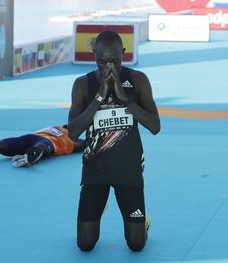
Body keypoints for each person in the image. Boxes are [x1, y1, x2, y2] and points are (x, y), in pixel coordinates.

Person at [68, 31, 161, 252]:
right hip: (95, 172)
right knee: (85, 243)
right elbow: (72, 132)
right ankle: (95, 209)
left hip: (128, 171)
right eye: (102, 62)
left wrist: (126, 100)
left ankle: (143, 221)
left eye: (115, 61)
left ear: (124, 54)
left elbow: (155, 126)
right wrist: (99, 97)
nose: (109, 68)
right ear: (94, 56)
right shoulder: (82, 84)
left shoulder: (138, 80)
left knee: (136, 244)